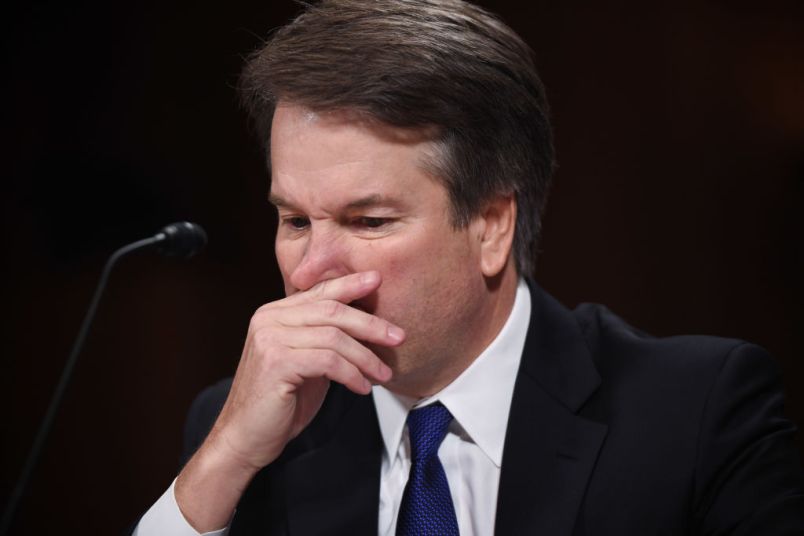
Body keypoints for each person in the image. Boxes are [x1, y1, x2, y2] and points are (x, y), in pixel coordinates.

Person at [134, 0, 804, 534]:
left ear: (491, 225)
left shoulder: (696, 413)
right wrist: (224, 460)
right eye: (296, 221)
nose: (313, 272)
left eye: (369, 222)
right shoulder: (242, 429)